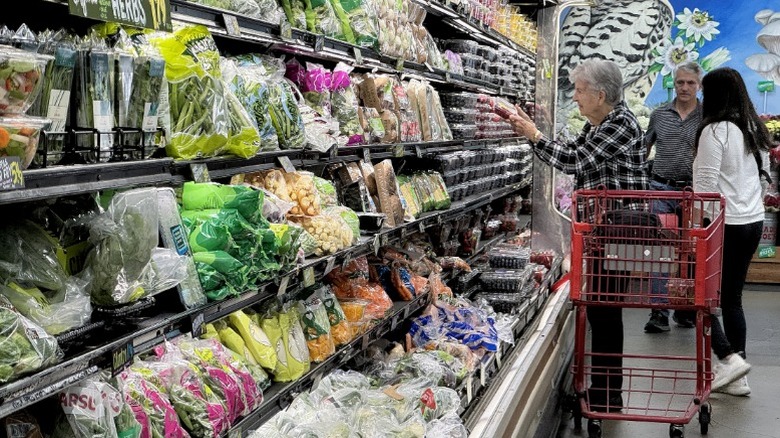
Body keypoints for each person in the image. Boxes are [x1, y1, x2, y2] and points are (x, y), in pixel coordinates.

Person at [509, 59, 648, 412]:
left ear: (601, 94)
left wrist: (535, 136)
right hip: (603, 232)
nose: (576, 97)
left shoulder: (621, 124)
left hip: (619, 234)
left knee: (605, 311)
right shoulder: (599, 124)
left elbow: (577, 161)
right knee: (601, 310)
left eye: (581, 90)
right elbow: (576, 155)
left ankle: (607, 396)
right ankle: (602, 391)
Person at [693, 67, 771, 397]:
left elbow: (706, 187)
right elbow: (763, 175)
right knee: (732, 298)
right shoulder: (754, 127)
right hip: (753, 220)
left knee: (700, 297)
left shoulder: (716, 131)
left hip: (723, 224)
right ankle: (737, 374)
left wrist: (697, 229)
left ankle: (728, 358)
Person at [643, 62, 703, 333]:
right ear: (673, 83)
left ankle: (685, 307)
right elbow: (644, 147)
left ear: (698, 85)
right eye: (680, 82)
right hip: (661, 189)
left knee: (693, 253)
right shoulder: (659, 115)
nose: (685, 87)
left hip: (695, 194)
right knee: (661, 252)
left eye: (691, 83)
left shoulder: (707, 116)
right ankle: (658, 311)